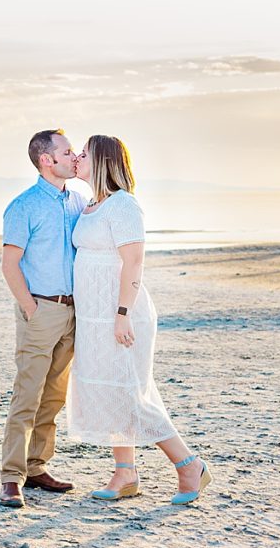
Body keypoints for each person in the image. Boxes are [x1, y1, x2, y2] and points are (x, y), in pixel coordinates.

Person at [67, 134, 212, 504]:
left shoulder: (124, 206)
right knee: (112, 392)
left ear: (102, 162)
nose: (78, 158)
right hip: (94, 318)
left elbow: (134, 263)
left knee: (132, 394)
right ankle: (125, 473)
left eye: (85, 154)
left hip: (121, 315)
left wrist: (122, 314)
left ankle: (188, 465)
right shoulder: (90, 205)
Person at [0, 128, 88, 508]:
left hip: (74, 311)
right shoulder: (24, 205)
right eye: (67, 152)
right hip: (41, 309)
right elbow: (9, 264)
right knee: (28, 394)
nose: (74, 157)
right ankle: (12, 476)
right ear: (46, 160)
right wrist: (31, 309)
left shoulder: (79, 200)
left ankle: (37, 466)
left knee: (54, 395)